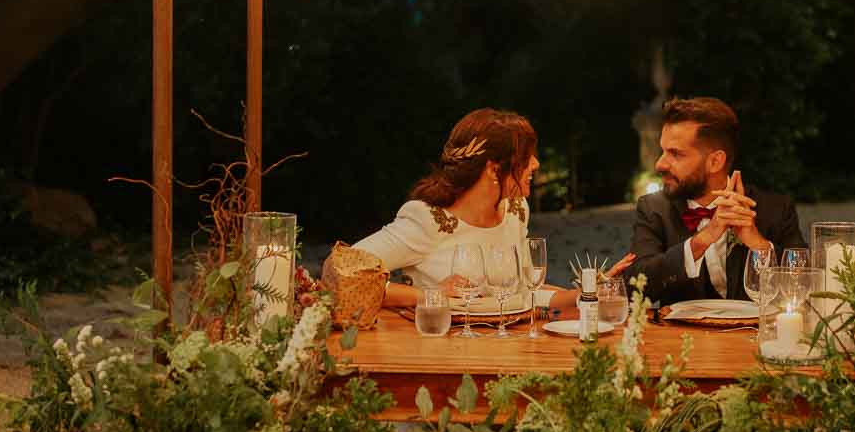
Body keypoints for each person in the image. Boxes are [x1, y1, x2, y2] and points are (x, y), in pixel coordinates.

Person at [342, 108, 594, 312]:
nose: (536, 164)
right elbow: (346, 275)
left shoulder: (515, 210)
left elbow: (526, 293)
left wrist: (585, 294)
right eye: (525, 157)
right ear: (493, 169)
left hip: (509, 352)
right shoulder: (428, 219)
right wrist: (428, 295)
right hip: (439, 355)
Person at [630, 96, 806, 307]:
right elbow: (634, 287)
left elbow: (803, 286)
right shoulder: (654, 209)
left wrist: (758, 245)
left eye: (675, 154)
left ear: (715, 161)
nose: (660, 164)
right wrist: (701, 241)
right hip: (681, 338)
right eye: (663, 151)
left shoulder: (775, 210)